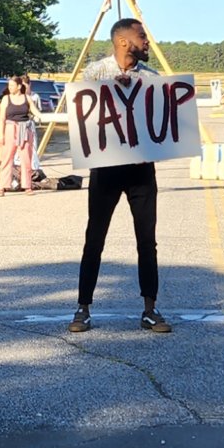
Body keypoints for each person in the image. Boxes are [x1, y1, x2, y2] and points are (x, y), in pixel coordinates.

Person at [72, 17, 169, 334]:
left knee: (147, 240)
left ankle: (150, 309)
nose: (147, 42)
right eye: (142, 36)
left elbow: (161, 123)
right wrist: (114, 91)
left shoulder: (152, 78)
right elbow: (86, 114)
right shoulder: (96, 72)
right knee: (94, 238)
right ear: (124, 41)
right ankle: (82, 308)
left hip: (141, 171)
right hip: (106, 168)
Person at [0, 73, 40, 194]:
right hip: (10, 128)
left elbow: (35, 110)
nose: (9, 87)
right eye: (9, 85)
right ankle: (2, 186)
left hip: (24, 129)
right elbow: (2, 118)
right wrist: (1, 134)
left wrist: (42, 116)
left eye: (12, 85)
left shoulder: (27, 98)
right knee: (7, 158)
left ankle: (27, 186)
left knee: (26, 158)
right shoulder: (6, 99)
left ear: (19, 86)